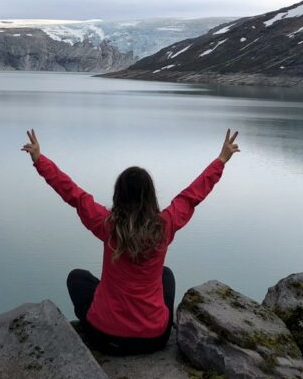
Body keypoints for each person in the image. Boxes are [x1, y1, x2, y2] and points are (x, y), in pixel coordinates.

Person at [21, 127, 240, 355]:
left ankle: (104, 320)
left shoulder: (107, 225)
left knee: (77, 278)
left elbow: (74, 194)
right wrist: (222, 160)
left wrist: (39, 160)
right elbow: (191, 197)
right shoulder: (164, 226)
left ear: (119, 194)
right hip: (154, 339)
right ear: (151, 196)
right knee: (166, 275)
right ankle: (149, 319)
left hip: (104, 338)